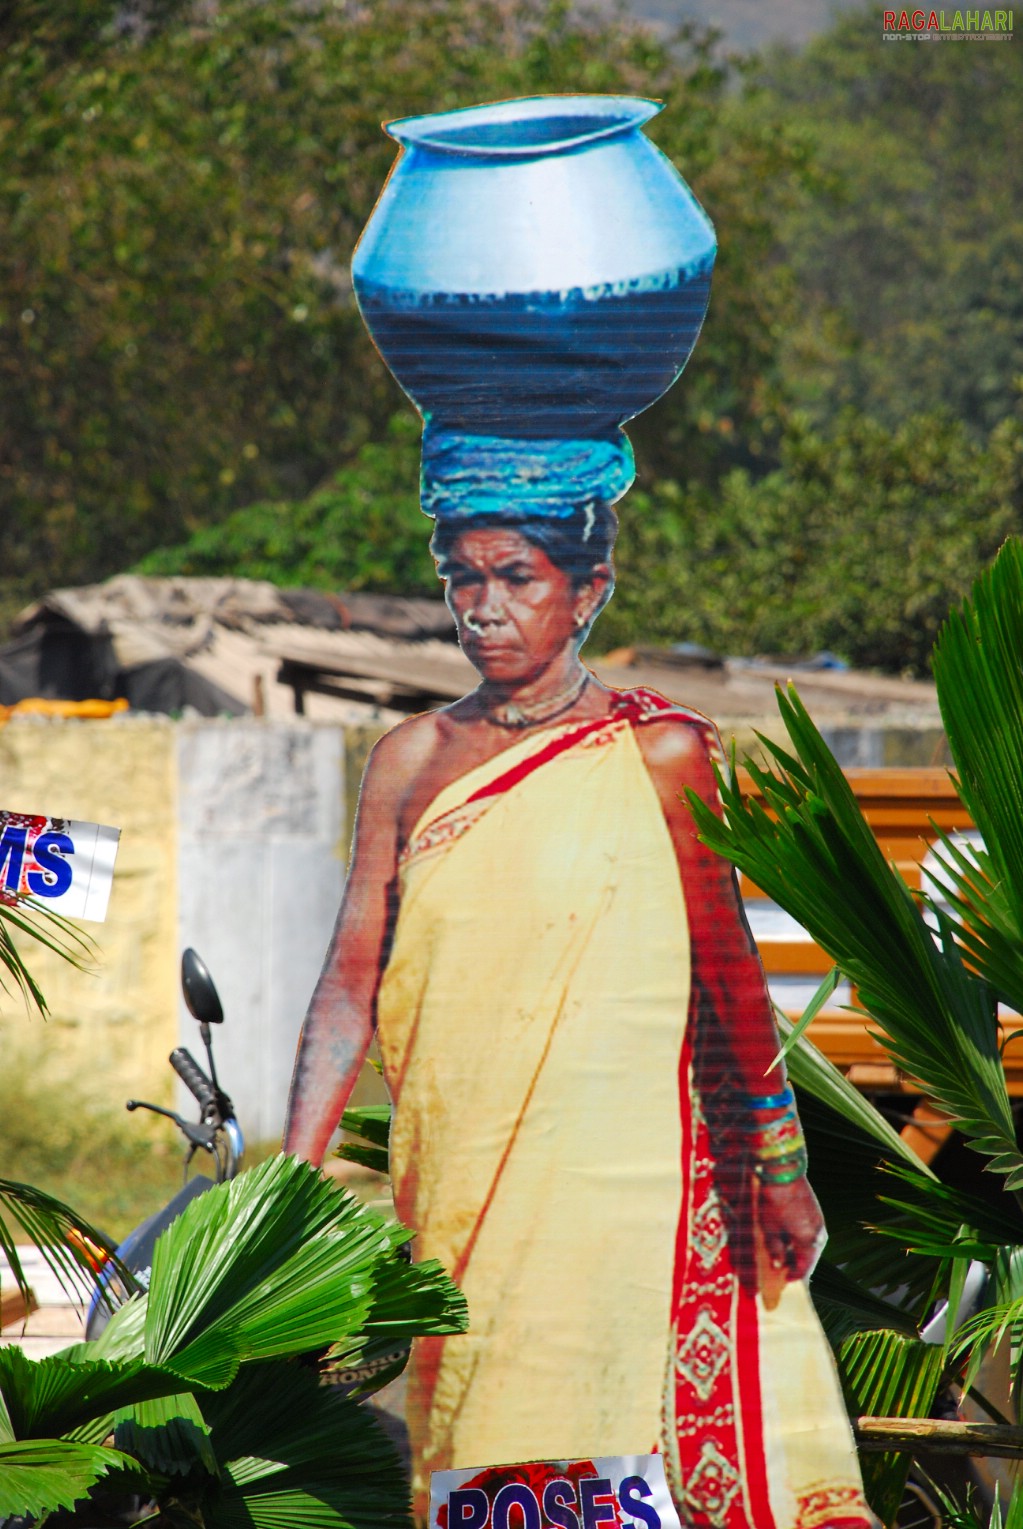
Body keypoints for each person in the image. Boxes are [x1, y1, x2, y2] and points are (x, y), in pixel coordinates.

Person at [283, 501, 874, 1529]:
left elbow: (727, 972)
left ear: (589, 593)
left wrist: (781, 1167)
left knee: (608, 1436)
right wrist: (286, 1183)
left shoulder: (664, 753)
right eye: (461, 579)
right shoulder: (407, 761)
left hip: (622, 1194)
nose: (483, 608)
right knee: (474, 1431)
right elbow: (349, 979)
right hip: (462, 1187)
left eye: (517, 578)